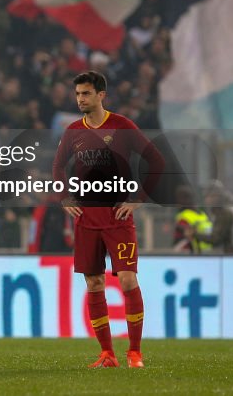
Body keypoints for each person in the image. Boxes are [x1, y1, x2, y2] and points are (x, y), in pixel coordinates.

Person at [52, 71, 164, 369]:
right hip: (87, 219)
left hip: (117, 218)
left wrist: (138, 199)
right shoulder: (73, 131)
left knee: (127, 280)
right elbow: (58, 169)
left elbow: (156, 161)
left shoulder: (122, 126)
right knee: (94, 282)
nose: (80, 99)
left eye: (86, 94)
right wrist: (65, 198)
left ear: (102, 95)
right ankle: (107, 354)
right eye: (77, 94)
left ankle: (135, 353)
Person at [194, 181, 233, 254]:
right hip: (231, 254)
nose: (206, 200)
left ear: (216, 196)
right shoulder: (222, 210)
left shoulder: (225, 213)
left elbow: (216, 238)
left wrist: (195, 234)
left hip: (231, 256)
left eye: (208, 196)